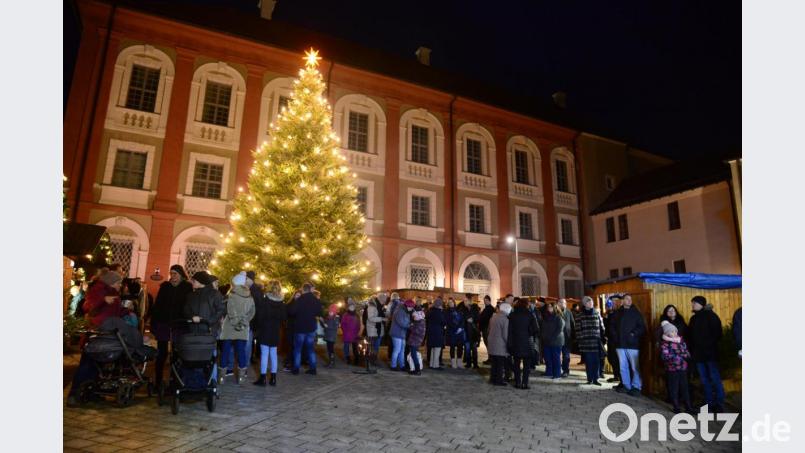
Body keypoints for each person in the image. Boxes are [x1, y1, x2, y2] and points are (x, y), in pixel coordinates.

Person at [148, 264, 193, 389]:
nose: (172, 276)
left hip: (179, 324)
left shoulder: (187, 287)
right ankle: (158, 381)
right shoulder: (165, 287)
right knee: (161, 353)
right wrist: (154, 322)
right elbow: (158, 305)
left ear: (181, 275)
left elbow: (188, 305)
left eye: (175, 274)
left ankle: (175, 381)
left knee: (176, 354)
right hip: (164, 323)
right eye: (171, 273)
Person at [183, 271, 226, 382]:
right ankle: (196, 381)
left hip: (209, 331)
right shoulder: (191, 295)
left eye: (194, 280)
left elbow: (221, 309)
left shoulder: (214, 294)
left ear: (200, 281)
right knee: (195, 357)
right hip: (193, 332)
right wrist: (192, 316)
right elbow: (186, 310)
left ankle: (212, 381)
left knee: (210, 356)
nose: (192, 282)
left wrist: (209, 321)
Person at [688, 295, 725, 412]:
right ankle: (709, 404)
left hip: (710, 354)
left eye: (695, 303)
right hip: (698, 355)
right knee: (704, 380)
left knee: (715, 378)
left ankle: (719, 404)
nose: (693, 305)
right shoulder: (693, 319)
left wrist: (708, 345)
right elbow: (690, 337)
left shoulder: (711, 316)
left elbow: (718, 334)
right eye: (692, 303)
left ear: (701, 304)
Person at [219, 272, 256, 384]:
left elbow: (229, 310)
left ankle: (222, 377)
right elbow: (252, 312)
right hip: (243, 328)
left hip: (229, 327)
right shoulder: (249, 296)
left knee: (225, 351)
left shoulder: (231, 295)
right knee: (241, 352)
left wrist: (235, 321)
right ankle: (241, 378)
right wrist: (243, 322)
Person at [253, 280, 287, 386]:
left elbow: (260, 316)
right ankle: (273, 378)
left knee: (264, 354)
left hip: (265, 330)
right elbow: (284, 317)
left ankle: (262, 378)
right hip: (275, 330)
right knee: (273, 354)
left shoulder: (265, 301)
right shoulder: (281, 303)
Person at [614, 294, 646, 396]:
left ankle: (636, 386)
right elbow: (611, 326)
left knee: (634, 366)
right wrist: (615, 337)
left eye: (630, 299)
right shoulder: (617, 313)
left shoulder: (636, 313)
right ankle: (626, 385)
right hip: (620, 344)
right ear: (622, 301)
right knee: (623, 366)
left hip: (632, 344)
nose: (629, 301)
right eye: (627, 299)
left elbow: (641, 327)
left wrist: (633, 334)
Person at [287, 283, 322, 375]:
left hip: (300, 327)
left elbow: (292, 312)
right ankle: (313, 368)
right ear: (310, 289)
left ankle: (296, 369)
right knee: (310, 349)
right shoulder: (316, 299)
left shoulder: (300, 299)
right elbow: (319, 312)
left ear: (303, 290)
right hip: (311, 327)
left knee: (298, 349)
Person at [659, 320, 694, 414]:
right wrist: (679, 355)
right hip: (672, 370)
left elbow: (687, 353)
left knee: (685, 388)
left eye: (675, 331)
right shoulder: (665, 344)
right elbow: (665, 356)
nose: (674, 333)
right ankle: (676, 407)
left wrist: (680, 355)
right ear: (667, 333)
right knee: (674, 388)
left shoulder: (681, 341)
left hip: (683, 368)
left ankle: (688, 407)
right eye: (671, 332)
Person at [507, 299, 538, 389]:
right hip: (527, 342)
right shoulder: (530, 314)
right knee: (527, 365)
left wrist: (510, 343)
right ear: (526, 305)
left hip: (516, 342)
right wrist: (529, 332)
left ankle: (517, 382)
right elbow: (536, 329)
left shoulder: (512, 315)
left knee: (516, 364)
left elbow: (509, 331)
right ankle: (525, 383)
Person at [577, 296, 605, 385]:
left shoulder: (597, 313)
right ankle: (589, 379)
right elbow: (578, 329)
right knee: (589, 361)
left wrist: (602, 337)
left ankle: (596, 379)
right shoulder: (580, 315)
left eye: (592, 302)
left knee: (596, 361)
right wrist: (581, 340)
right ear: (585, 304)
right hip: (586, 342)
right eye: (589, 302)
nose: (591, 303)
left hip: (596, 341)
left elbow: (602, 326)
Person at [487, 301, 511, 386]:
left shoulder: (493, 317)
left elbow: (488, 330)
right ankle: (499, 380)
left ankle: (492, 379)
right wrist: (508, 345)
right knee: (500, 364)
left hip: (492, 343)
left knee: (494, 363)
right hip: (500, 345)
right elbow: (505, 335)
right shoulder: (505, 320)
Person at [541, 302, 565, 379]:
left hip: (556, 341)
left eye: (551, 306)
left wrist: (552, 337)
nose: (549, 308)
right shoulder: (545, 317)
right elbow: (542, 328)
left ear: (555, 308)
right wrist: (543, 336)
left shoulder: (558, 317)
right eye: (548, 306)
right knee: (547, 357)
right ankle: (549, 372)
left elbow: (559, 329)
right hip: (546, 341)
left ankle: (557, 374)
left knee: (556, 358)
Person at [389, 299, 413, 371]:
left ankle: (402, 365)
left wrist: (409, 324)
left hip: (402, 333)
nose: (411, 309)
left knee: (402, 350)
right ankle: (393, 365)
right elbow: (402, 323)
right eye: (411, 307)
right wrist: (410, 325)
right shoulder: (399, 311)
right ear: (407, 306)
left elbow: (406, 321)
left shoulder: (405, 311)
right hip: (396, 333)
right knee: (397, 350)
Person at [604, 297, 622, 385]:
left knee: (615, 358)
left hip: (616, 340)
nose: (609, 307)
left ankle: (618, 376)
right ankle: (616, 375)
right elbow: (607, 327)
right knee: (611, 357)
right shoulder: (608, 314)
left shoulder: (617, 314)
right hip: (610, 339)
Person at [282, 290, 302, 371]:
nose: (298, 297)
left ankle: (292, 363)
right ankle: (290, 362)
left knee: (295, 347)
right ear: (294, 296)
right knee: (291, 345)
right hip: (290, 328)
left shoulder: (302, 305)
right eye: (297, 295)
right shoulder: (290, 304)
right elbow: (288, 313)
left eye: (299, 296)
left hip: (298, 328)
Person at [363, 297, 386, 366]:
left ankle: (373, 360)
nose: (384, 302)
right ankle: (370, 361)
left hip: (377, 330)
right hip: (372, 330)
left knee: (376, 346)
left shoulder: (378, 306)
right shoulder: (371, 307)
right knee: (372, 346)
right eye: (383, 300)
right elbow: (371, 318)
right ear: (380, 300)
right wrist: (382, 319)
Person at [426, 297, 446, 370]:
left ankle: (431, 364)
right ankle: (436, 365)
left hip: (431, 332)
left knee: (432, 349)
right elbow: (443, 322)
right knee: (437, 349)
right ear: (439, 305)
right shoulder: (439, 312)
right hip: (438, 332)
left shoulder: (430, 311)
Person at [445, 298, 466, 369]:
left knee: (460, 347)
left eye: (452, 302)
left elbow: (462, 319)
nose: (451, 303)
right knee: (452, 347)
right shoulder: (447, 311)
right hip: (451, 331)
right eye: (449, 302)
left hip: (459, 332)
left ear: (454, 302)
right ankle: (453, 363)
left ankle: (459, 362)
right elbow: (447, 322)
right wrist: (455, 328)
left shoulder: (458, 310)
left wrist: (460, 328)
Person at [557, 298, 575, 378]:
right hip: (557, 338)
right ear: (558, 303)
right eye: (561, 302)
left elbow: (572, 323)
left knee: (566, 356)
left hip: (567, 337)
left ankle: (565, 370)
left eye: (564, 302)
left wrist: (574, 335)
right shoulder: (555, 312)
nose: (562, 304)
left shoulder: (569, 312)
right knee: (557, 355)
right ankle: (557, 370)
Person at [406, 307, 427, 375]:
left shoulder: (421, 322)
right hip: (415, 340)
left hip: (415, 341)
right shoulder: (420, 322)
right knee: (413, 354)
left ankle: (417, 370)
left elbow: (417, 331)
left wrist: (411, 326)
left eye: (414, 316)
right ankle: (414, 368)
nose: (413, 317)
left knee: (414, 355)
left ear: (418, 316)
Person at [341, 299, 361, 366]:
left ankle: (356, 359)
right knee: (346, 346)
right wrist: (345, 331)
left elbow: (358, 324)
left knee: (355, 347)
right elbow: (343, 324)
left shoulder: (357, 315)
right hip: (347, 333)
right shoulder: (345, 315)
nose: (352, 307)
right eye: (350, 306)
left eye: (353, 306)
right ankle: (347, 358)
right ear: (348, 307)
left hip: (354, 333)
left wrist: (357, 331)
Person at [464, 296, 481, 369]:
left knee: (474, 349)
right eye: (464, 301)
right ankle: (468, 363)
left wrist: (473, 319)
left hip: (473, 332)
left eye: (465, 301)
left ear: (469, 301)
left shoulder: (475, 309)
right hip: (466, 332)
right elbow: (463, 319)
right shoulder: (464, 310)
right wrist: (466, 320)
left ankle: (475, 364)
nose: (464, 302)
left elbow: (479, 318)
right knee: (467, 349)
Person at [478, 295, 494, 365]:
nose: (484, 302)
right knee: (487, 344)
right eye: (484, 301)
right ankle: (490, 358)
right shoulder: (487, 308)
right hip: (485, 328)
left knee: (488, 344)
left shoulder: (490, 308)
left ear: (489, 300)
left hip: (487, 328)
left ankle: (491, 358)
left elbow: (484, 318)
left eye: (485, 301)